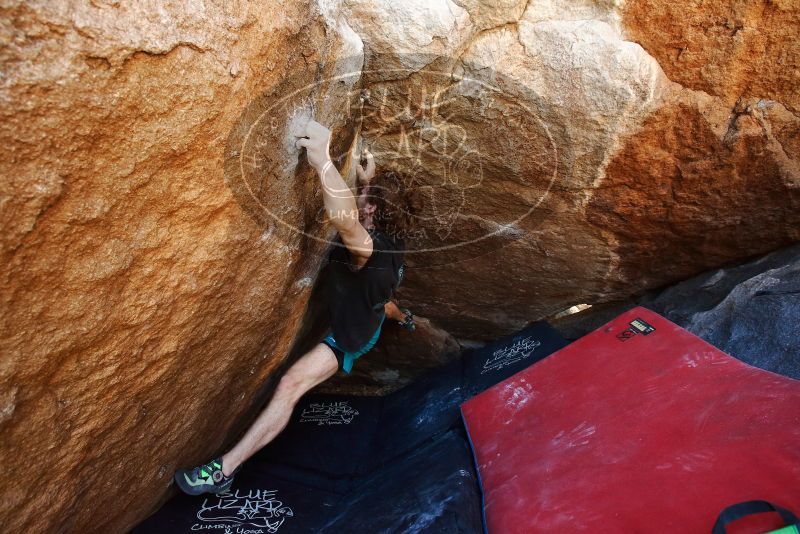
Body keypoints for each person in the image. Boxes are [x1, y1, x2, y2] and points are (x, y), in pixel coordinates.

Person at [174, 120, 412, 495]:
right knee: (382, 308)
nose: (357, 197)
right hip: (369, 315)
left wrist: (323, 162)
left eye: (363, 197)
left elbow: (345, 221)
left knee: (290, 384)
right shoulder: (395, 242)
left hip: (348, 338)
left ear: (371, 211)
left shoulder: (370, 250)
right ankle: (407, 320)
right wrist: (370, 181)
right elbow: (383, 298)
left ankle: (224, 471)